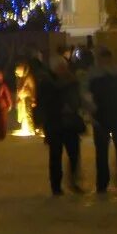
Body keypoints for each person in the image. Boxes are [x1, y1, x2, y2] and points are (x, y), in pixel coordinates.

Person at [36, 55, 85, 195]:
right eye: (60, 67)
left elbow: (78, 98)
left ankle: (73, 182)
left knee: (74, 155)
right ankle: (56, 186)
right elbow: (44, 104)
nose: (62, 70)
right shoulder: (47, 83)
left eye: (63, 67)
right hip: (55, 123)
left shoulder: (72, 81)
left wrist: (74, 106)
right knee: (55, 156)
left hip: (70, 124)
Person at [86, 47, 117, 192]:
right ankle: (105, 181)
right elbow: (86, 94)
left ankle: (116, 179)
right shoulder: (99, 74)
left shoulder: (115, 73)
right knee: (104, 151)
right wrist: (91, 109)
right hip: (103, 116)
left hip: (112, 115)